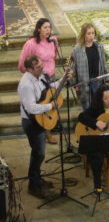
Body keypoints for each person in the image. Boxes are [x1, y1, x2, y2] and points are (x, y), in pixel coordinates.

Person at [18, 55, 72, 198]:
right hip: (31, 122)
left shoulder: (40, 76)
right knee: (38, 153)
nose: (41, 67)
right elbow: (31, 108)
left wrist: (64, 79)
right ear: (29, 69)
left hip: (41, 119)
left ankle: (37, 179)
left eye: (41, 64)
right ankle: (33, 185)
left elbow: (50, 88)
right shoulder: (26, 85)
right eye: (37, 67)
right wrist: (50, 105)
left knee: (39, 153)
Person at [18, 18, 59, 144]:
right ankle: (45, 133)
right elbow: (22, 64)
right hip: (37, 78)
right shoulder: (31, 44)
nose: (48, 30)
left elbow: (54, 57)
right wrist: (31, 78)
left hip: (50, 77)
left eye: (49, 27)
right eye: (45, 27)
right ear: (38, 29)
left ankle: (49, 128)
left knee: (51, 105)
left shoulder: (53, 41)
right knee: (41, 104)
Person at [71, 23, 109, 110]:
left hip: (97, 80)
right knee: (87, 108)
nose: (91, 36)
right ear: (83, 35)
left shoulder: (99, 46)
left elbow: (103, 63)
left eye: (93, 33)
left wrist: (106, 79)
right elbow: (74, 67)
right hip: (84, 82)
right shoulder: (77, 49)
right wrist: (75, 84)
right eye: (89, 33)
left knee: (98, 107)